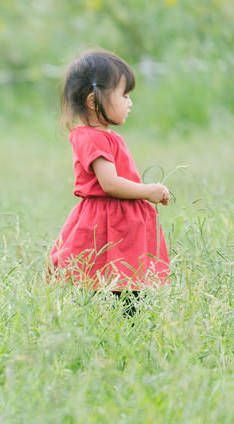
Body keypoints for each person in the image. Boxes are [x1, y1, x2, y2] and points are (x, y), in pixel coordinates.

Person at [50, 49, 170, 315]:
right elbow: (110, 184)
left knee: (120, 278)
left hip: (116, 218)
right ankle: (123, 327)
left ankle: (124, 326)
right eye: (124, 95)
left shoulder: (103, 135)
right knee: (115, 280)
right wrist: (148, 190)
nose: (130, 103)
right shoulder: (92, 138)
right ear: (94, 101)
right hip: (108, 220)